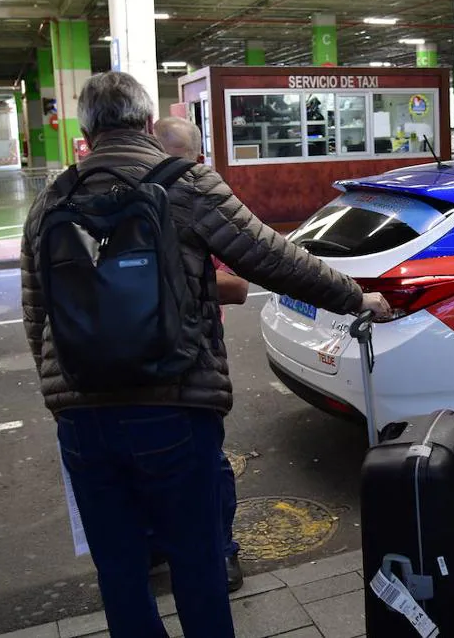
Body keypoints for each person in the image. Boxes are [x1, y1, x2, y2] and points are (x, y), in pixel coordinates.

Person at [21, 72, 391, 638]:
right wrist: (353, 296)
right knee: (197, 561)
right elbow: (271, 257)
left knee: (119, 570)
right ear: (146, 123)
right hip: (173, 403)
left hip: (82, 414)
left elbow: (36, 309)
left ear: (86, 129)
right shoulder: (184, 183)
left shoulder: (52, 198)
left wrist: (61, 391)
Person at [152, 114, 246, 591]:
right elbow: (239, 285)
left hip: (150, 355)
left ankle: (197, 549)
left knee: (178, 457)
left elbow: (237, 286)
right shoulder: (196, 196)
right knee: (204, 458)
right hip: (189, 358)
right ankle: (214, 552)